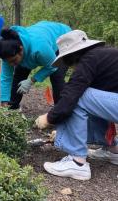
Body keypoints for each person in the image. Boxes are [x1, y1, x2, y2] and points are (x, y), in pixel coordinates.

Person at [35, 30, 118, 181]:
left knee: (80, 97)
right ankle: (113, 150)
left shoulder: (89, 60)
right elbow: (99, 104)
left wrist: (48, 118)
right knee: (89, 98)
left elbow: (70, 97)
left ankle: (77, 162)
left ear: (70, 56)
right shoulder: (103, 56)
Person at [0, 21, 71, 108]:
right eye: (8, 62)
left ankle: (60, 112)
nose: (11, 64)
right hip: (41, 34)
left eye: (13, 60)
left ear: (21, 50)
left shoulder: (39, 48)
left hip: (63, 39)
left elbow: (53, 65)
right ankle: (11, 107)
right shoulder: (8, 52)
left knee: (56, 77)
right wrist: (4, 100)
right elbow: (6, 78)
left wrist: (32, 80)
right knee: (19, 74)